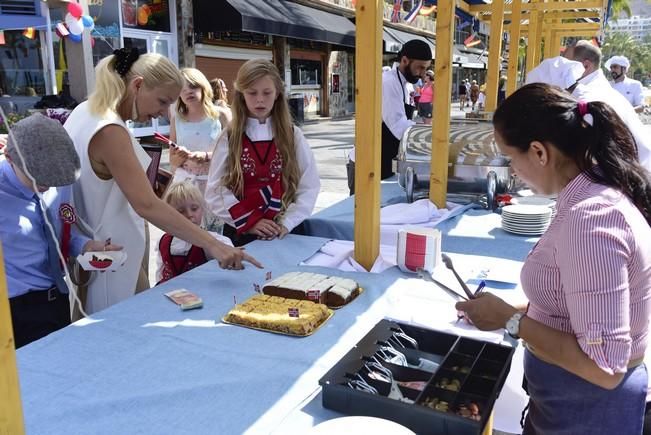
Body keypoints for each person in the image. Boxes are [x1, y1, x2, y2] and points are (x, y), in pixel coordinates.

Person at [456, 83, 651, 434]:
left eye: (511, 158)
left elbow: (605, 367)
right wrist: (513, 311)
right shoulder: (587, 198)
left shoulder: (591, 221)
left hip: (586, 409)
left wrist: (510, 322)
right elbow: (578, 302)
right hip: (567, 402)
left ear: (539, 152)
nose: (513, 171)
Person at [64, 48, 261, 314]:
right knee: (115, 334)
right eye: (162, 101)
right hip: (111, 256)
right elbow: (147, 205)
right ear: (137, 86)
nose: (162, 112)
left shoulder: (85, 111)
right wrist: (213, 244)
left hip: (97, 251)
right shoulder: (110, 129)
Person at [0, 114, 121, 347]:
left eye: (53, 178)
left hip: (56, 298)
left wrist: (86, 245)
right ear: (10, 158)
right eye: (37, 177)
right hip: (13, 308)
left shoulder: (57, 183)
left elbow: (56, 231)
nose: (46, 186)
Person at [205, 59, 320, 247]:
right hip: (242, 233)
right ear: (242, 95)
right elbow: (215, 190)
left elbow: (309, 185)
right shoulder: (230, 137)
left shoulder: (293, 135)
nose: (260, 99)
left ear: (277, 94)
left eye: (267, 93)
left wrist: (287, 222)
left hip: (284, 232)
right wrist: (250, 222)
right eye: (252, 93)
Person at [529, 41, 651, 170]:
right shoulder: (592, 90)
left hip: (631, 174)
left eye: (566, 62)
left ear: (585, 66)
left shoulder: (590, 98)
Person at [346, 39, 432, 194]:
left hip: (383, 159)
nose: (423, 73)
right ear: (405, 60)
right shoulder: (389, 82)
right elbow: (398, 125)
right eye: (420, 67)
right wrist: (428, 135)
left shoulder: (405, 84)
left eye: (426, 68)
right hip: (368, 162)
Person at [155, 181, 234, 284]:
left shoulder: (212, 240)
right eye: (181, 211)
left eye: (194, 209)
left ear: (202, 209)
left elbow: (229, 260)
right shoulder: (163, 241)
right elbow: (160, 272)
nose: (189, 214)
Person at [169, 68, 222, 195]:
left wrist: (205, 156)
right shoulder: (176, 119)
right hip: (186, 187)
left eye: (193, 86)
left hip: (215, 185)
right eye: (183, 89)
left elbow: (232, 153)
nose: (188, 92)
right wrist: (181, 156)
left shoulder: (221, 115)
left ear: (203, 86)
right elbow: (172, 161)